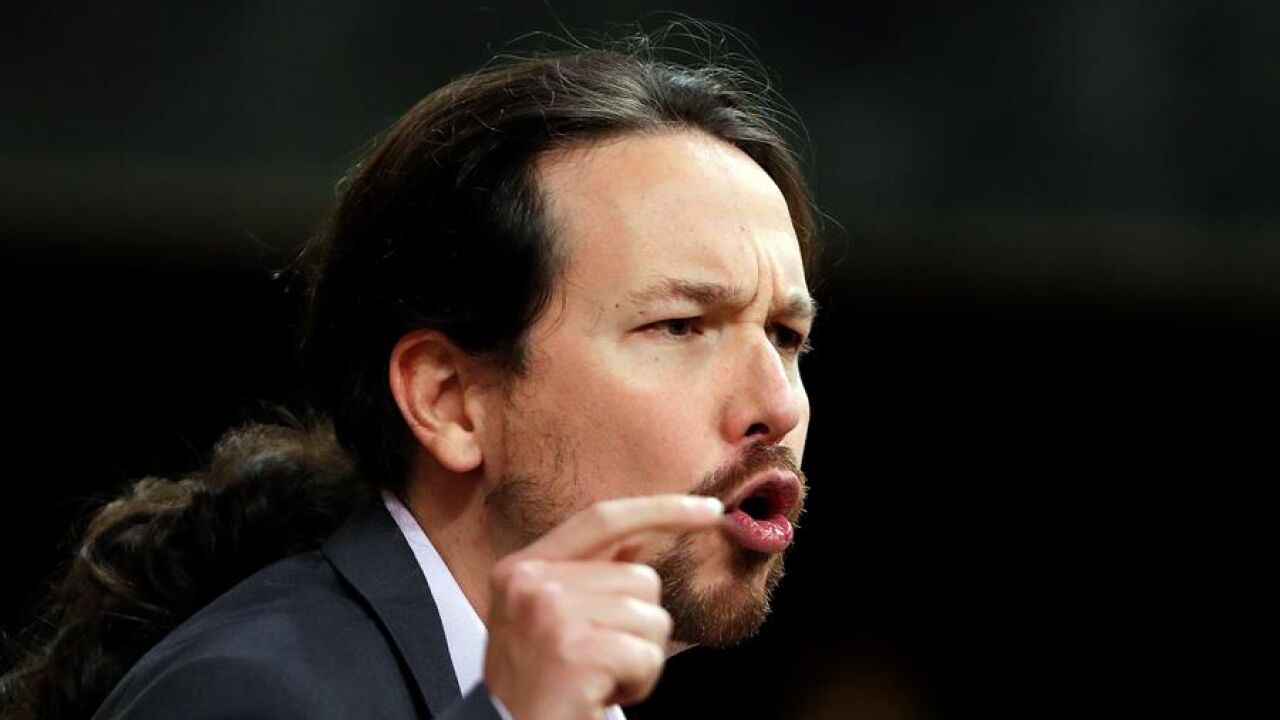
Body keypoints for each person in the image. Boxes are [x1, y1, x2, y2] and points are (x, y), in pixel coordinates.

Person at [1, 31, 820, 720]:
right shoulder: (246, 692)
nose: (778, 404)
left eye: (786, 336)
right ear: (448, 401)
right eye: (679, 326)